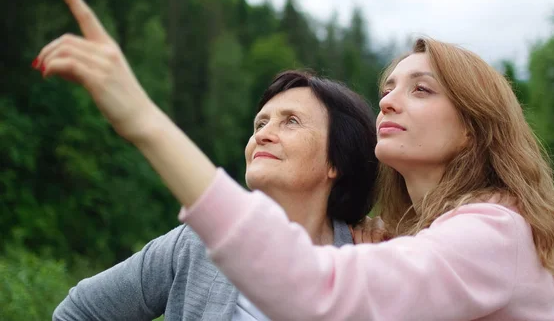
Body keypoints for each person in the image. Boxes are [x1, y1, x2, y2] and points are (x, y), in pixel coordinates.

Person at [37, 0, 554, 320]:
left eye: (420, 89)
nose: (390, 103)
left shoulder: (491, 233)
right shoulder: (409, 241)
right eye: (387, 90)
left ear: (475, 128)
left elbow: (318, 294)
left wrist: (144, 121)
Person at [51, 66, 379, 320]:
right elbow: (78, 312)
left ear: (336, 160)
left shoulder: (370, 265)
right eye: (260, 124)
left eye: (290, 121)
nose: (264, 134)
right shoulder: (197, 244)